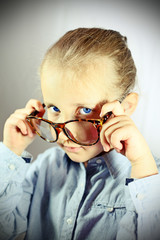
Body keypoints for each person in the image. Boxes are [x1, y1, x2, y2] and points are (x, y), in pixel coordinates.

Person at [0, 27, 160, 240]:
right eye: (55, 109)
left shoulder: (150, 182)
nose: (65, 132)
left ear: (126, 107)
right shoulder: (44, 168)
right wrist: (12, 150)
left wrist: (141, 164)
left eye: (85, 110)